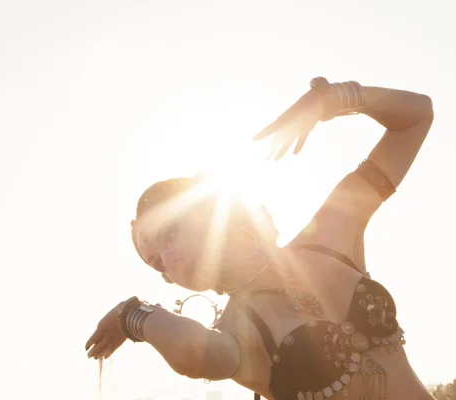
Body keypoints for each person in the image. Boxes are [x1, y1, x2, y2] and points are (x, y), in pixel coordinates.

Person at [85, 77, 435, 400]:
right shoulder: (235, 331)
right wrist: (133, 314)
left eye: (171, 233)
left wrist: (329, 101)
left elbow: (416, 117)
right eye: (157, 263)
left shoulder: (331, 235)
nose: (170, 261)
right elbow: (198, 356)